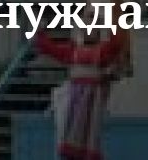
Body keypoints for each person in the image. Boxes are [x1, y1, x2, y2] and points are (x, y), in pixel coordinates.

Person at [34, 25, 129, 160]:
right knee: (72, 135)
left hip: (93, 102)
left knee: (90, 136)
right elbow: (51, 49)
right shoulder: (73, 51)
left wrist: (114, 25)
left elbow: (116, 44)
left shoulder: (102, 51)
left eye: (93, 29)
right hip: (75, 101)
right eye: (86, 28)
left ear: (98, 33)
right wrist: (40, 34)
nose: (89, 31)